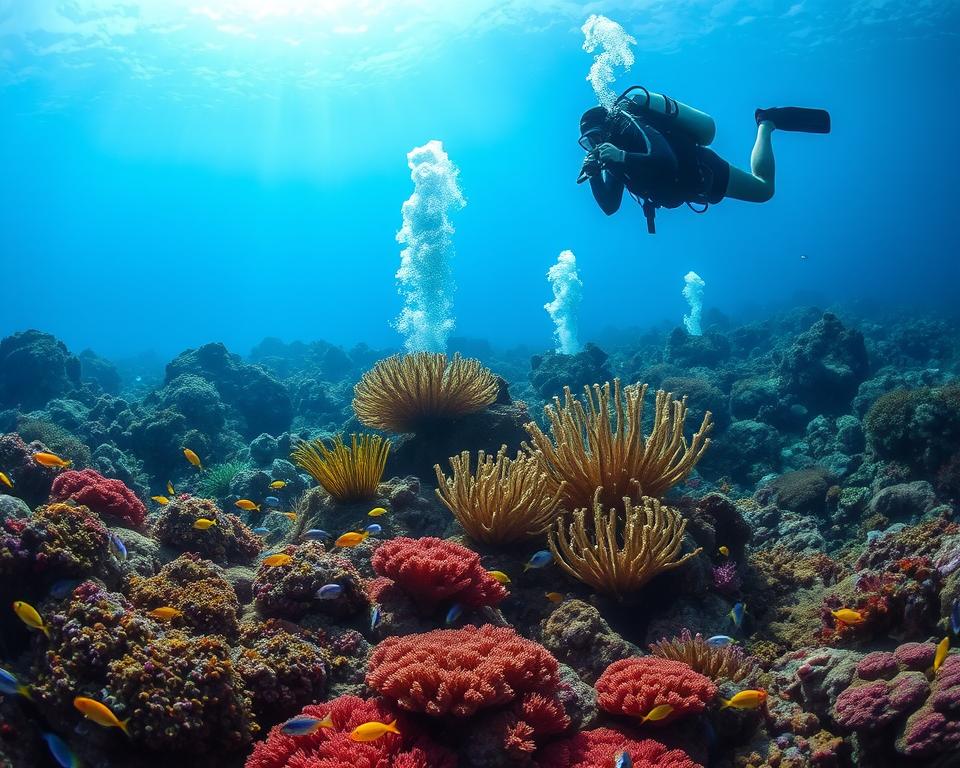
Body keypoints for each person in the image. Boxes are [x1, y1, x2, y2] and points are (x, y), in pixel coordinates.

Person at [578, 86, 830, 233]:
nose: (595, 146)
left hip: (702, 170)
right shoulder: (612, 158)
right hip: (693, 188)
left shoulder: (630, 128)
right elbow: (610, 207)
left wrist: (622, 156)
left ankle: (766, 122)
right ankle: (766, 122)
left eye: (596, 137)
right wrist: (594, 176)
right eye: (588, 143)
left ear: (608, 128)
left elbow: (666, 160)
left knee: (764, 190)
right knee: (763, 192)